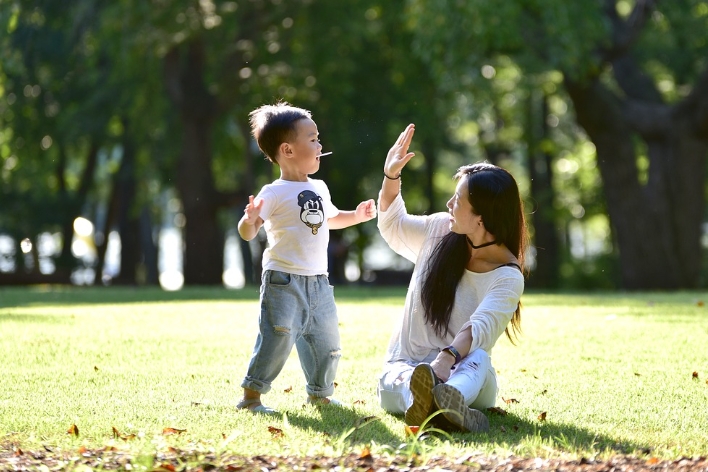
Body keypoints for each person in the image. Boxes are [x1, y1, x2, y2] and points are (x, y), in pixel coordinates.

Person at [376, 123, 527, 432]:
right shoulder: (439, 230)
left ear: (481, 217)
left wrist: (445, 361)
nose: (449, 205)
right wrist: (391, 177)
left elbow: (480, 326)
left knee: (479, 360)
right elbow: (393, 225)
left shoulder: (508, 276)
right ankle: (437, 406)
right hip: (407, 366)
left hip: (464, 372)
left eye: (458, 200)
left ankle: (450, 398)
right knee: (405, 378)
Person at [237, 102, 377, 413]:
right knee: (277, 338)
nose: (320, 144)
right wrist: (249, 220)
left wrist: (358, 214)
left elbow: (332, 218)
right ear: (287, 150)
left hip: (319, 281)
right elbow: (248, 232)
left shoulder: (320, 187)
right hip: (283, 281)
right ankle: (251, 396)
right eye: (312, 139)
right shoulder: (272, 193)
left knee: (327, 340)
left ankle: (320, 393)